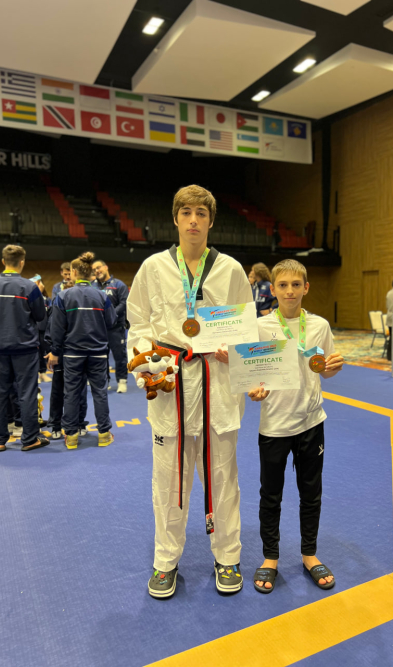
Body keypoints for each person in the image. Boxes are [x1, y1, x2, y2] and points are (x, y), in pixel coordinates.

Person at [127, 184, 253, 599]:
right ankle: (166, 561)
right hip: (172, 383)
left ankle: (228, 557)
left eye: (201, 213)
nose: (194, 220)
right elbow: (139, 323)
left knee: (224, 479)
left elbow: (247, 329)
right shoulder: (153, 268)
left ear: (211, 221)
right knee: (168, 480)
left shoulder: (231, 270)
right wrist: (148, 365)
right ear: (176, 219)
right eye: (187, 213)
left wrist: (236, 354)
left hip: (218, 383)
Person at [248, 259, 344, 593]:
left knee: (311, 494)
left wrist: (333, 366)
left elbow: (325, 369)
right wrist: (254, 389)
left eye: (296, 284)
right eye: (283, 285)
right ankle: (270, 558)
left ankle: (309, 554)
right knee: (270, 495)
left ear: (306, 288)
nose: (290, 291)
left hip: (311, 422)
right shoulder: (260, 327)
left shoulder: (319, 326)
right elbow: (253, 374)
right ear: (272, 289)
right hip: (274, 424)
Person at [45, 252, 117, 449]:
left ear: (74, 272)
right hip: (98, 352)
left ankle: (71, 436)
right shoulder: (101, 296)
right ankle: (104, 434)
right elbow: (111, 321)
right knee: (100, 392)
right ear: (90, 273)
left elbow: (57, 328)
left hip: (72, 353)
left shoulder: (63, 296)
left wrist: (55, 351)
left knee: (71, 393)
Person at [0, 245, 50, 452]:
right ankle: (30, 438)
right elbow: (40, 316)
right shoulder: (30, 287)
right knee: (27, 392)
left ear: (3, 261)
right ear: (22, 262)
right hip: (25, 349)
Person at [44, 279, 89, 439]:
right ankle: (57, 425)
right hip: (62, 354)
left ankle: (79, 422)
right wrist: (52, 351)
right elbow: (51, 331)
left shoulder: (80, 308)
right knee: (60, 391)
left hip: (77, 354)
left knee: (78, 391)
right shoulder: (57, 306)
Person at [92, 259, 129, 393]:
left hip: (116, 328)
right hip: (99, 329)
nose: (97, 271)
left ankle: (122, 381)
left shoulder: (119, 285)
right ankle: (105, 381)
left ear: (106, 267)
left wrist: (110, 314)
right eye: (94, 270)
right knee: (101, 357)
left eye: (99, 267)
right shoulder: (92, 286)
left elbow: (124, 303)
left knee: (120, 356)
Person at [30, 274, 52, 383]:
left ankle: (43, 373)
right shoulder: (29, 298)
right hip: (32, 331)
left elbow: (50, 315)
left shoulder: (47, 300)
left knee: (43, 351)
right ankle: (35, 375)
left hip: (44, 330)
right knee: (34, 353)